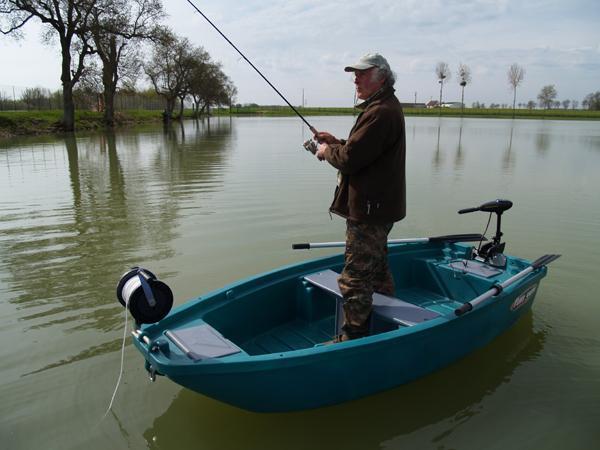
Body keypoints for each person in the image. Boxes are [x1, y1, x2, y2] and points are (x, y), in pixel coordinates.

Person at [314, 53, 406, 342]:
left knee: (354, 278)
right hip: (379, 207)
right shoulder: (384, 107)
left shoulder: (380, 111)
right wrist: (337, 143)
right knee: (376, 268)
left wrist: (325, 151)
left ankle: (353, 337)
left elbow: (352, 160)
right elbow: (363, 151)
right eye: (354, 73)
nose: (355, 78)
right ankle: (387, 320)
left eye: (362, 73)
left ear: (381, 76)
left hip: (369, 210)